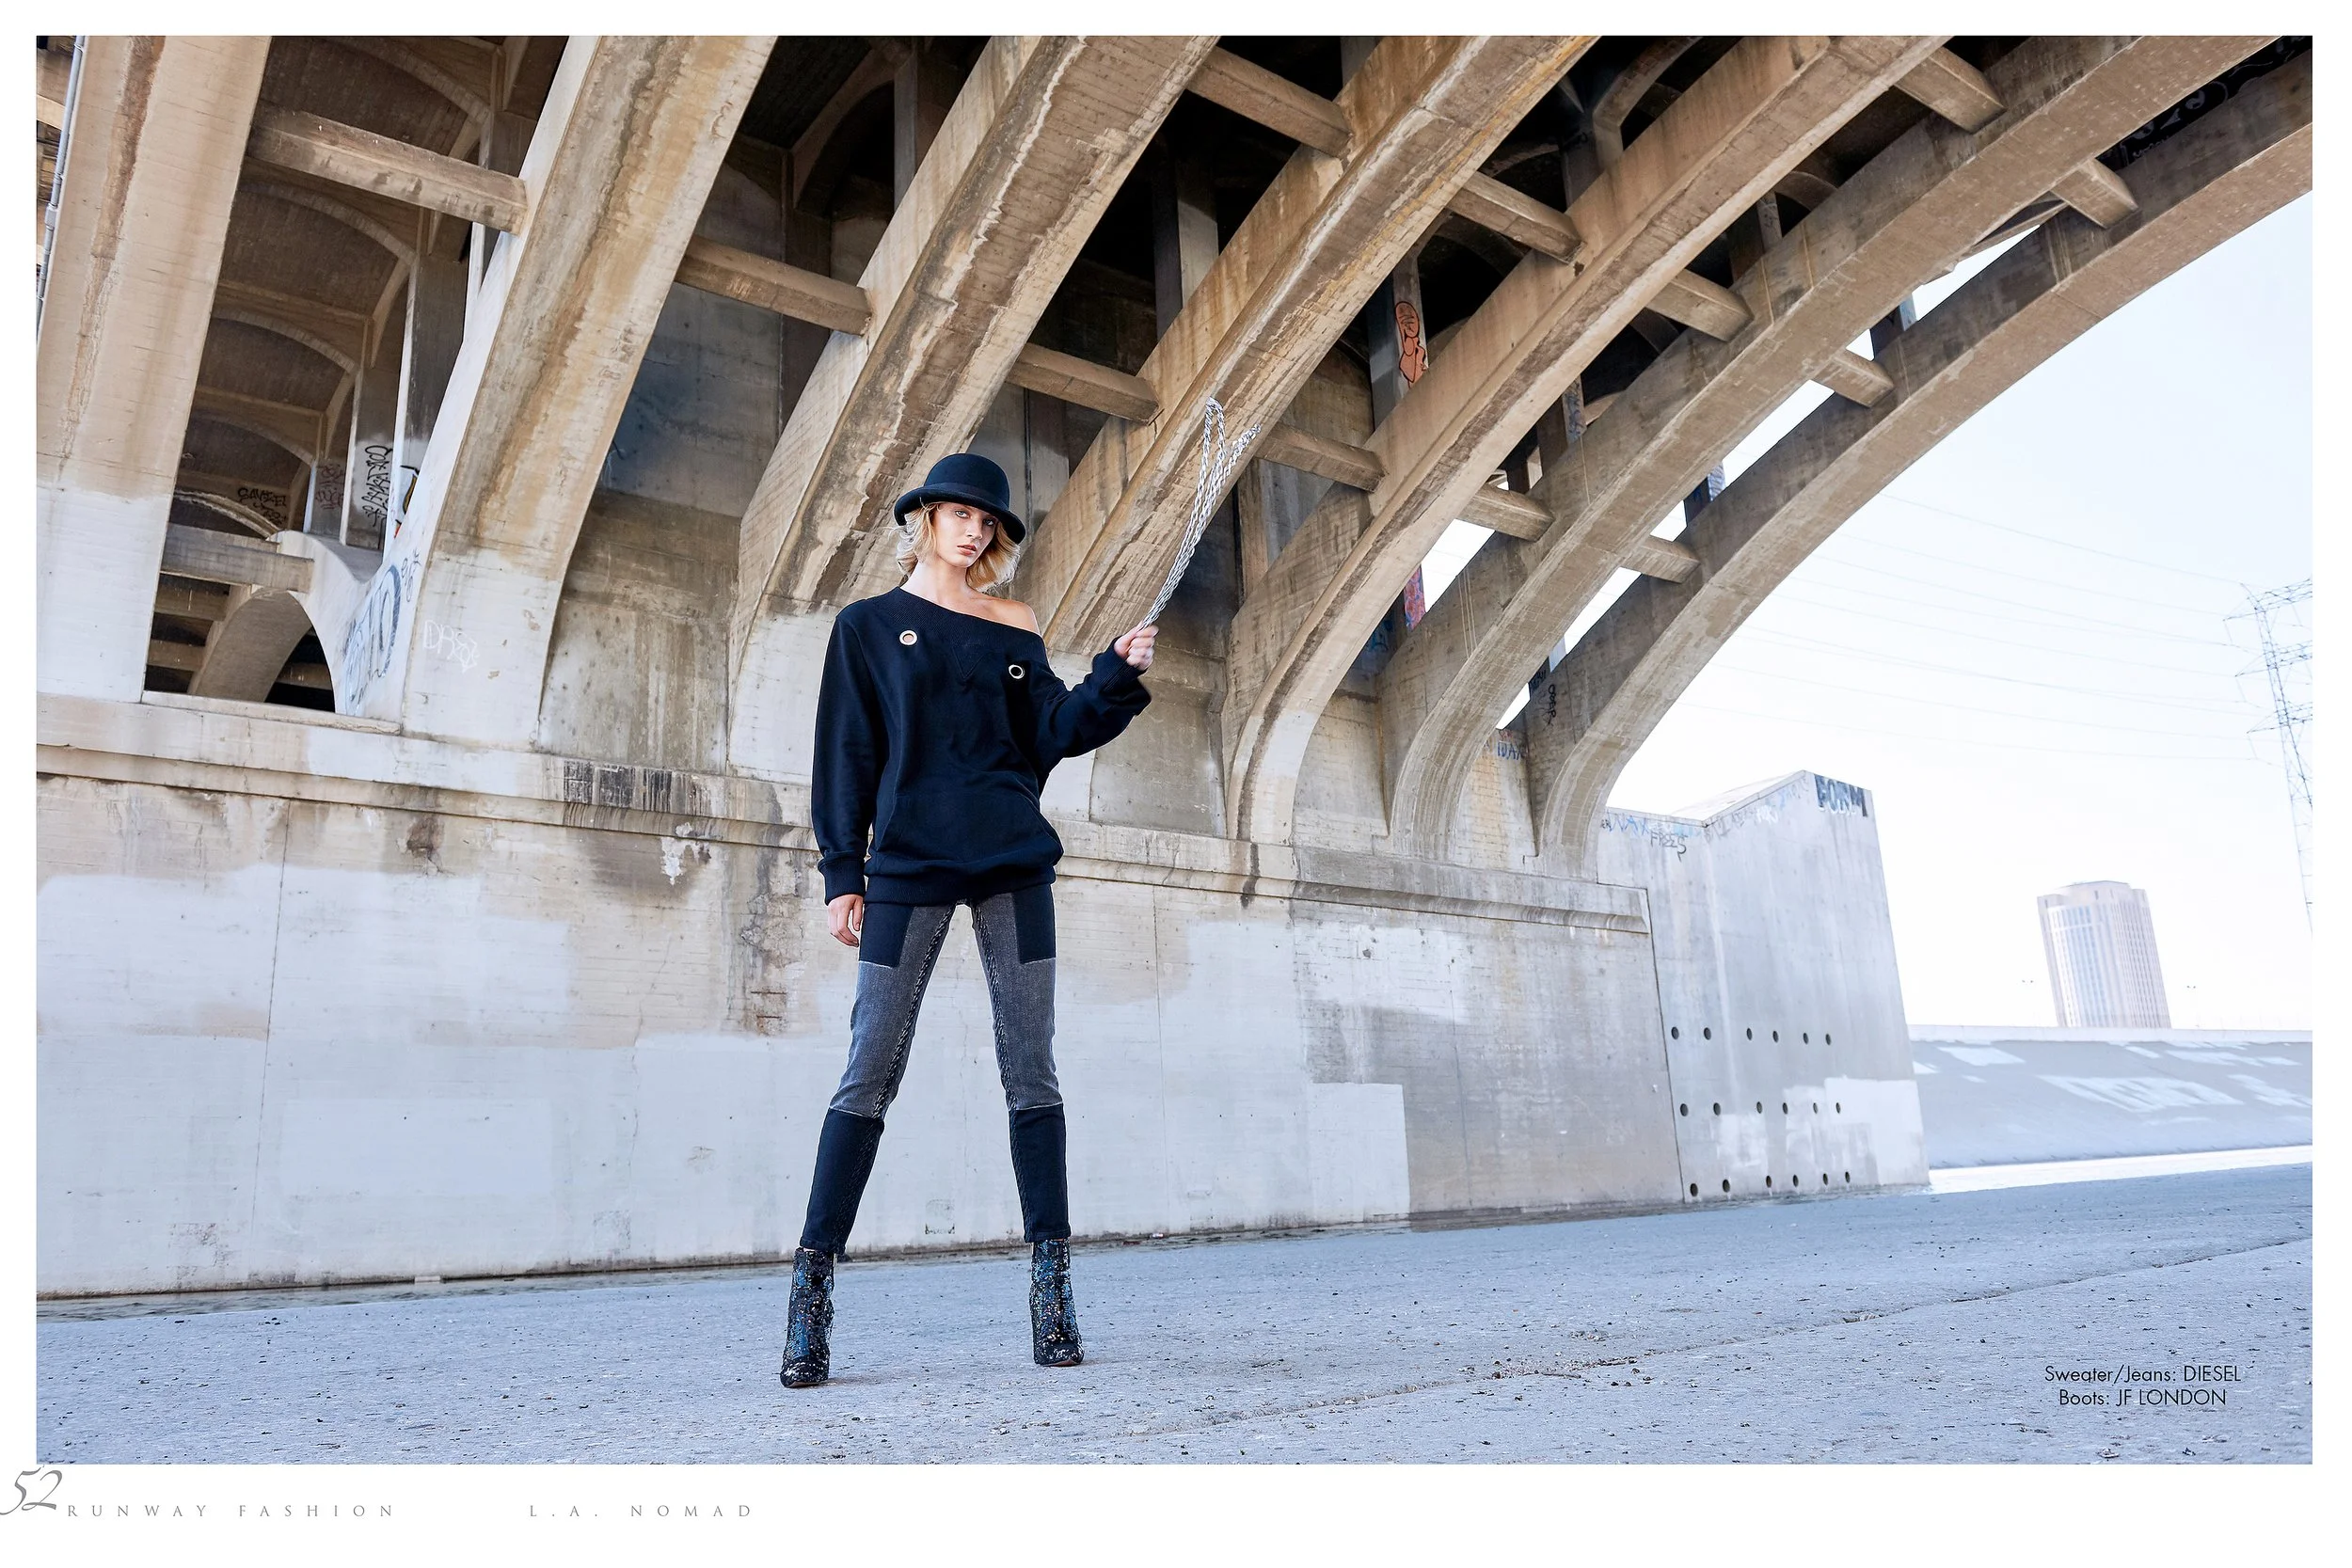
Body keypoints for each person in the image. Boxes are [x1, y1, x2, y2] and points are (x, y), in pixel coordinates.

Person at [781, 451, 1157, 1389]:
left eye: (987, 520)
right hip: (905, 867)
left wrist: (1111, 676)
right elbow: (846, 751)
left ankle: (1052, 1288)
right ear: (926, 519)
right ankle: (811, 1292)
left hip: (1011, 866)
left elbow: (1049, 738)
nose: (975, 530)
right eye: (958, 513)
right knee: (868, 1071)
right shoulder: (867, 626)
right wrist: (842, 871)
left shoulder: (1014, 624)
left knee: (1032, 1071)